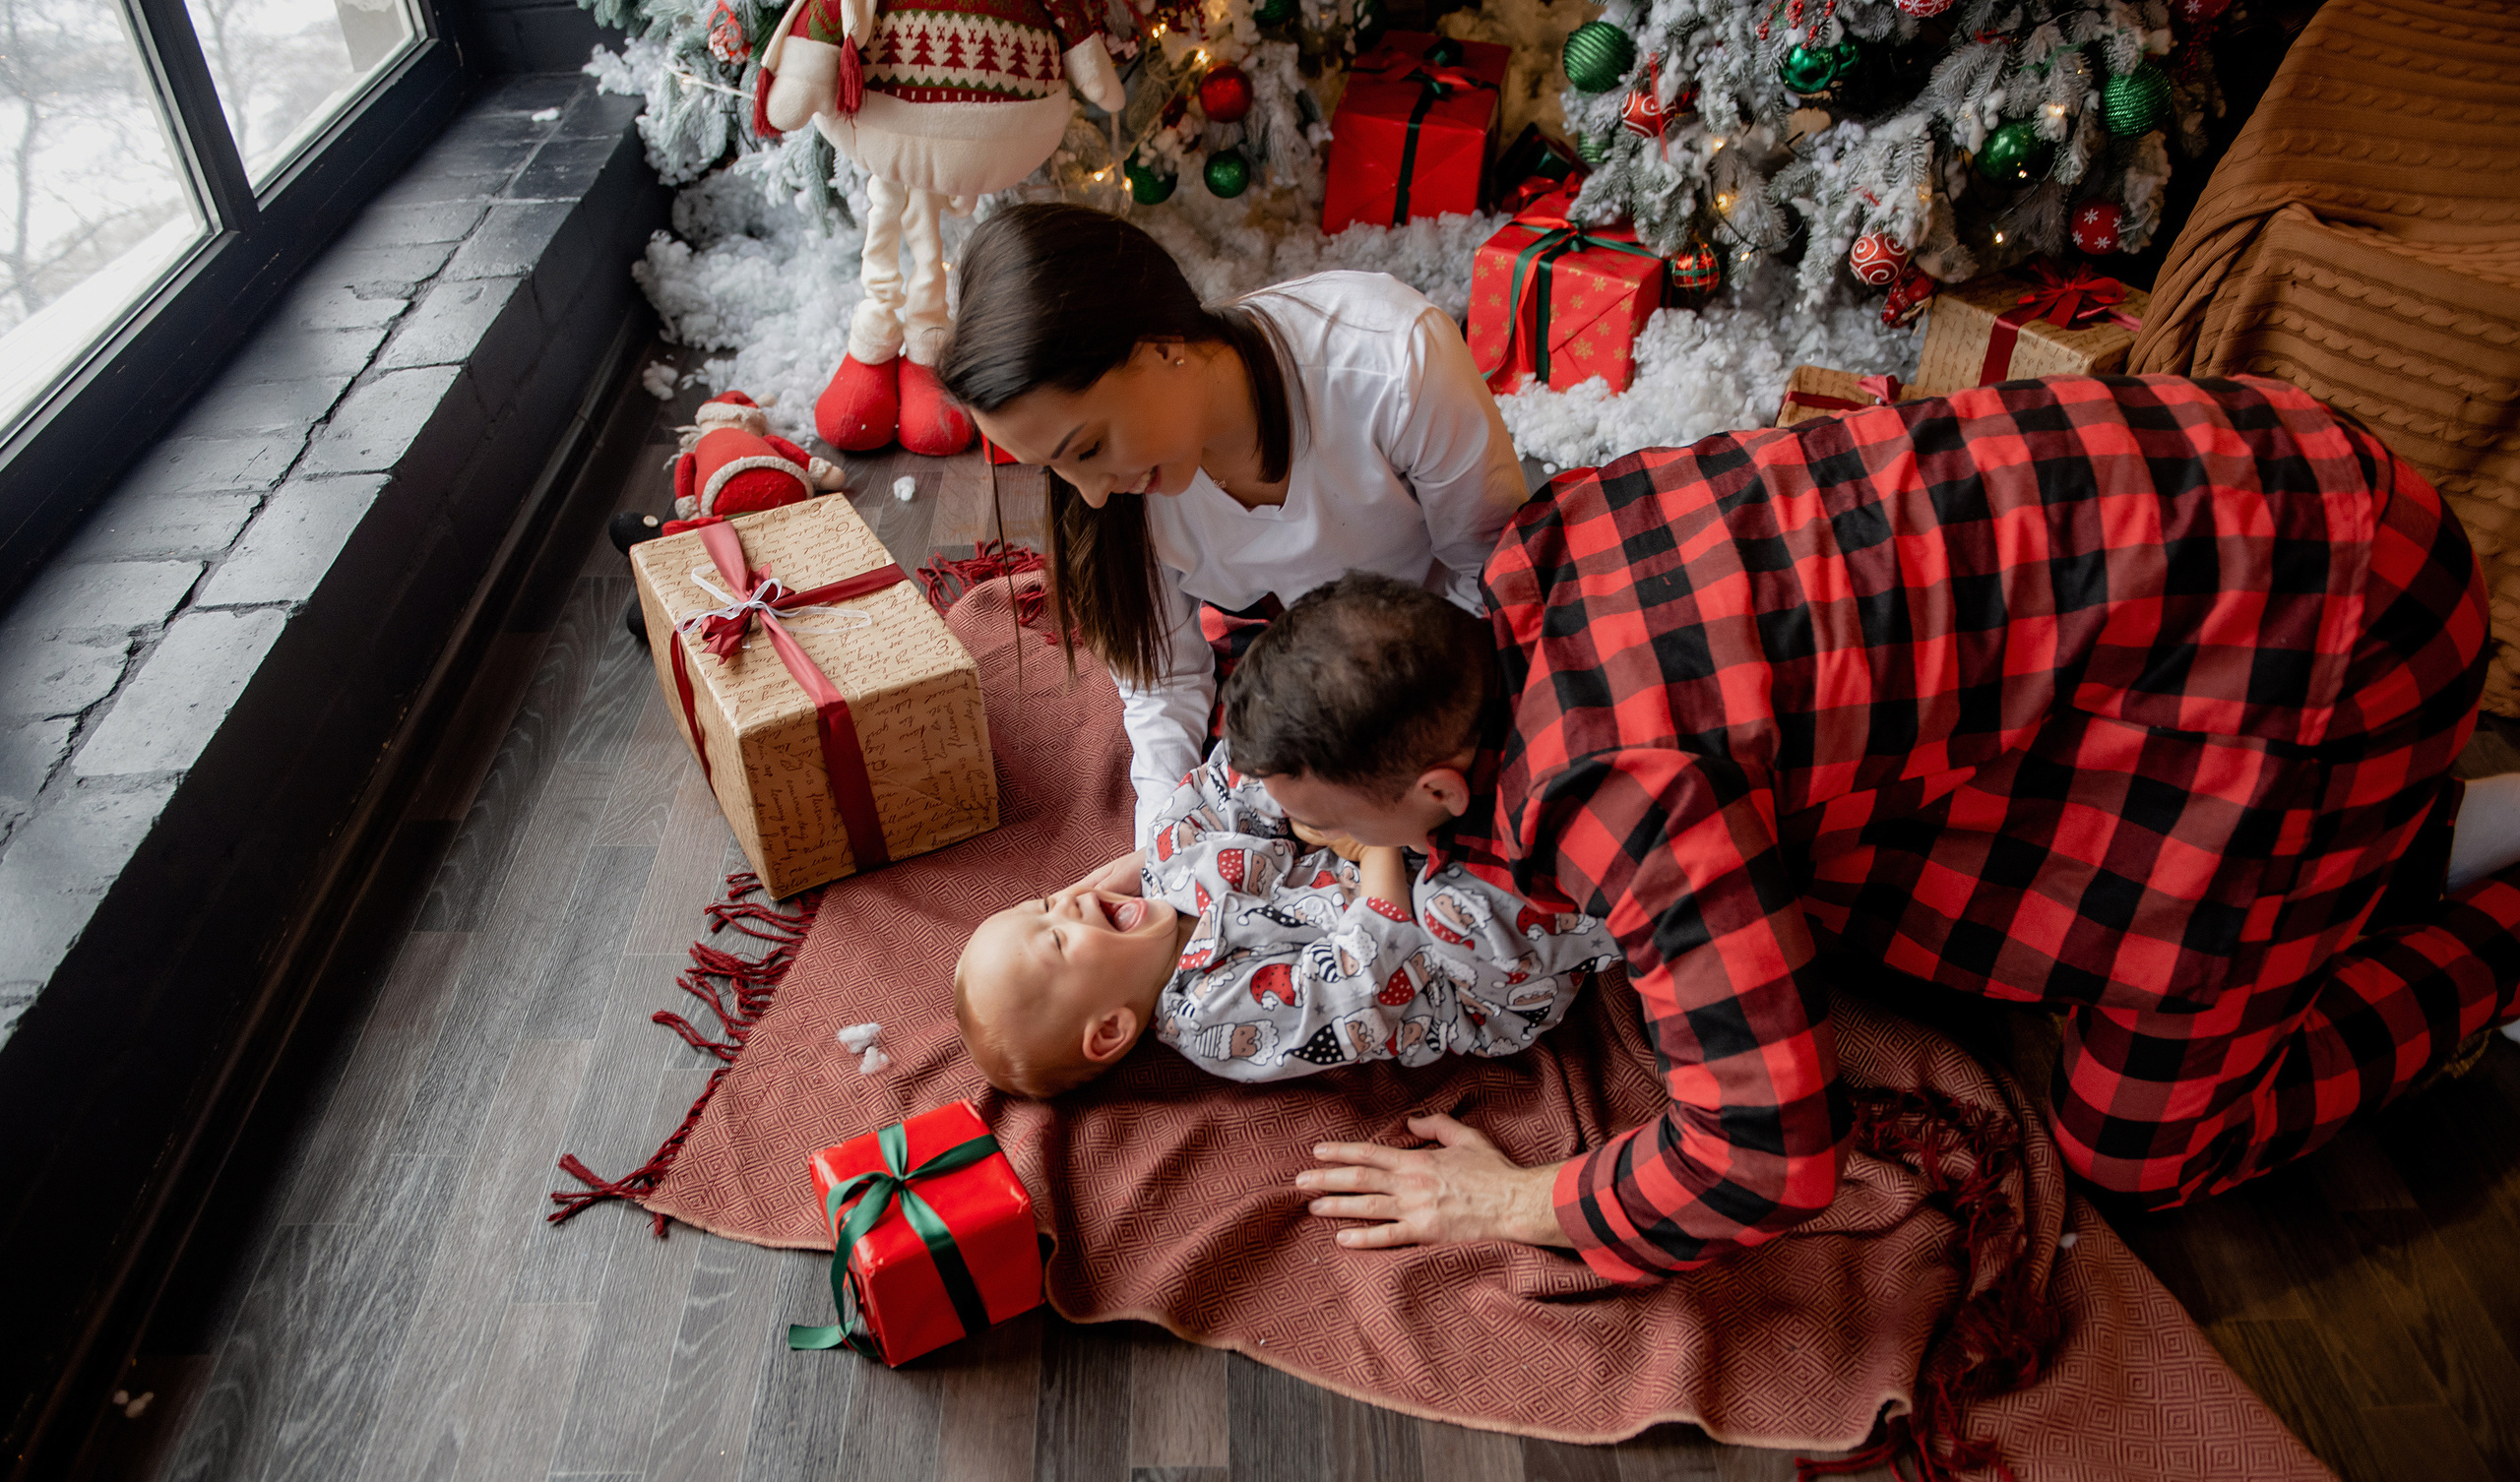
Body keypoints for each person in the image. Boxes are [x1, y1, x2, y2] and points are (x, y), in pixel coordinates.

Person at [1228, 375, 2520, 1281]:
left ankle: (2489, 930)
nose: (1347, 857)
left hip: (2351, 624)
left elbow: (1768, 1155)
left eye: (1345, 835)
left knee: (2139, 1145)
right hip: (2260, 466)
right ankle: (2415, 836)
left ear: (1445, 787)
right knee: (1880, 902)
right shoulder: (1540, 550)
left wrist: (1523, 1200)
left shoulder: (1626, 802)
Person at [935, 203, 1531, 846]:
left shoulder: (1393, 360)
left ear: (1162, 345)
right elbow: (1162, 682)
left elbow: (1495, 581)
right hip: (1306, 667)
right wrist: (1160, 852)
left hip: (1439, 663)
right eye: (1052, 468)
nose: (1093, 494)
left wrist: (1377, 763)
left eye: (1087, 449)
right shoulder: (1120, 497)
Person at [953, 725, 1618, 1096]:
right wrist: (1375, 829)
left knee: (1333, 734)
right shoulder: (1212, 1017)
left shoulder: (1168, 859)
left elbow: (1233, 779)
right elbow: (1365, 973)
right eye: (1060, 940)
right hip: (1458, 975)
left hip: (1390, 847)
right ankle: (1622, 894)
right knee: (1468, 899)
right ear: (1109, 1030)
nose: (1069, 902)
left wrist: (1313, 798)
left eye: (1044, 901)